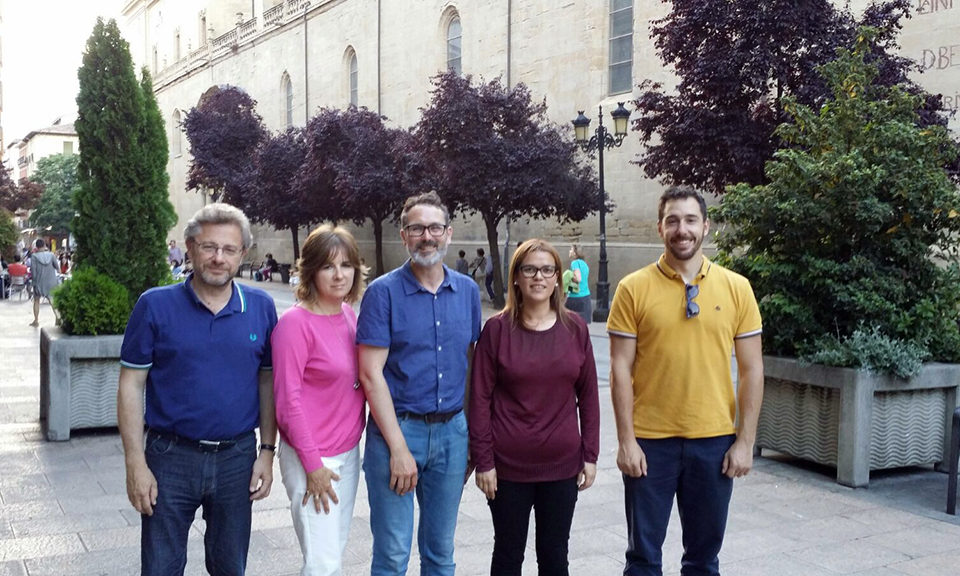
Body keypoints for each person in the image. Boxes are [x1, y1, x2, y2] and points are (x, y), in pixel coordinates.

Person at [607, 186, 764, 576]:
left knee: (703, 560)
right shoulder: (632, 288)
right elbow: (620, 369)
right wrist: (626, 441)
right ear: (660, 228)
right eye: (673, 220)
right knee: (643, 559)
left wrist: (745, 442)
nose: (682, 229)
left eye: (691, 220)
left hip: (713, 442)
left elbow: (752, 370)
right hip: (650, 443)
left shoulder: (737, 288)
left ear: (706, 226)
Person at [117, 203, 279, 576]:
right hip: (169, 458)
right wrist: (135, 462)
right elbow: (131, 384)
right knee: (160, 568)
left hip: (237, 459)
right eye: (209, 247)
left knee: (229, 567)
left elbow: (268, 382)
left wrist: (267, 453)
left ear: (243, 253)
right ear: (190, 247)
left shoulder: (261, 308)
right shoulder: (154, 305)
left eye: (229, 249)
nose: (219, 257)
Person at [356, 191, 482, 576]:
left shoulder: (468, 291)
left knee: (441, 553)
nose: (427, 236)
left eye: (435, 228)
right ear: (404, 235)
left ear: (449, 233)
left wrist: (470, 437)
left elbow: (471, 365)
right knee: (393, 555)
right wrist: (398, 448)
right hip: (397, 432)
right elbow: (370, 373)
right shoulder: (382, 293)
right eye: (417, 228)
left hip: (452, 434)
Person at [470, 238, 600, 576]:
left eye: (546, 269)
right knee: (508, 554)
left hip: (562, 466)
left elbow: (589, 396)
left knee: (555, 556)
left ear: (558, 277)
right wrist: (484, 461)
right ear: (516, 277)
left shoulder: (576, 329)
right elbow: (480, 399)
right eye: (529, 269)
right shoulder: (497, 330)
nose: (538, 277)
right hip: (507, 468)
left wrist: (590, 454)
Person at [272, 224, 368, 576]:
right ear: (311, 271)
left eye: (346, 265)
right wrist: (313, 466)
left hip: (347, 453)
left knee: (331, 554)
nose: (339, 274)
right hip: (312, 457)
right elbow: (287, 403)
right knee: (322, 564)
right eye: (328, 266)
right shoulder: (294, 325)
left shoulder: (348, 315)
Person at [29, 239, 60, 327]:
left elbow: (33, 271)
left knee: (36, 300)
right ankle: (58, 317)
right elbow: (57, 267)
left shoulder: (34, 257)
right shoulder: (51, 255)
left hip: (39, 282)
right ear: (44, 246)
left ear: (36, 247)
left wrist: (34, 283)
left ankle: (36, 321)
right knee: (52, 300)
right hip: (51, 281)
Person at [564, 244, 591, 324]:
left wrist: (568, 275)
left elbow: (578, 278)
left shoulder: (575, 263)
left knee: (569, 323)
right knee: (582, 325)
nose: (569, 251)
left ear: (575, 253)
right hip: (586, 297)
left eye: (571, 249)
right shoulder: (584, 264)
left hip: (575, 298)